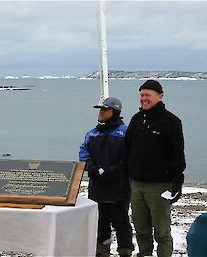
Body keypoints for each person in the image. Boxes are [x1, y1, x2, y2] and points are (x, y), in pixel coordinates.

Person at [123, 80, 186, 257]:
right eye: (141, 95)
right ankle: (145, 254)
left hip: (160, 186)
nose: (144, 98)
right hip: (136, 184)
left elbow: (177, 155)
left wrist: (177, 183)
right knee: (141, 230)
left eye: (147, 95)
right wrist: (125, 176)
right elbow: (127, 149)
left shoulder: (171, 121)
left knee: (162, 232)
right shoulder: (136, 119)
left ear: (160, 96)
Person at [79, 97, 134, 257]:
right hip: (97, 186)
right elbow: (83, 152)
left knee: (121, 222)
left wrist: (112, 171)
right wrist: (92, 168)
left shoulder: (125, 132)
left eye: (105, 110)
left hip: (118, 186)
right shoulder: (92, 133)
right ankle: (102, 251)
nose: (101, 113)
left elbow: (129, 157)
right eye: (100, 110)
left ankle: (125, 250)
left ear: (115, 112)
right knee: (101, 221)